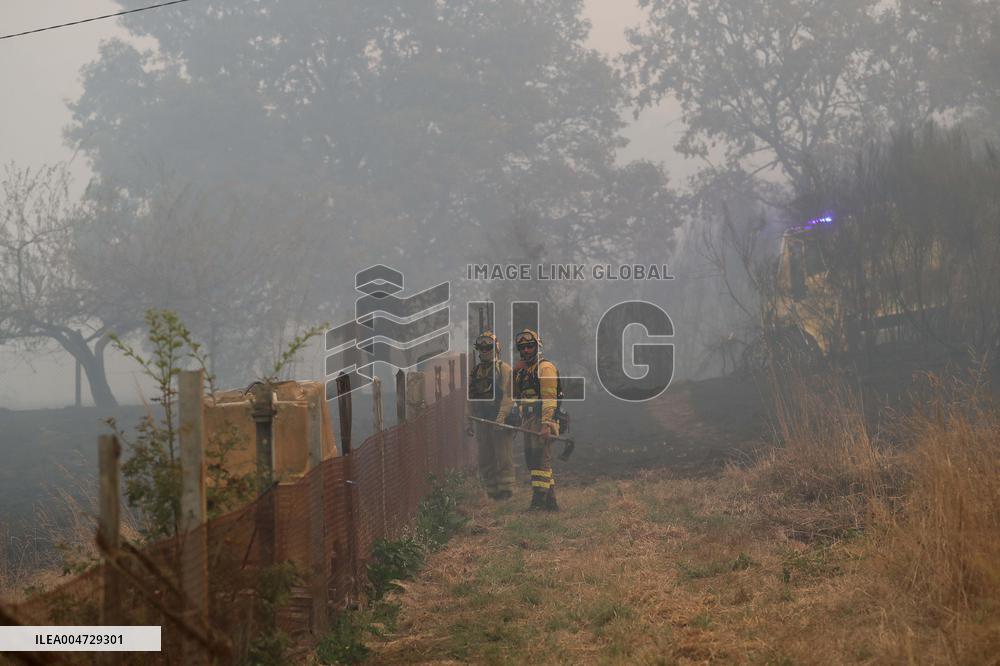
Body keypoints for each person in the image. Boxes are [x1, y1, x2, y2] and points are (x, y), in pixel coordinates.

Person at [512, 329, 560, 511]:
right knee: (534, 462)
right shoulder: (522, 371)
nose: (526, 350)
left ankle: (538, 504)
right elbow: (518, 397)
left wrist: (547, 424)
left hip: (544, 421)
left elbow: (549, 399)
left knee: (541, 462)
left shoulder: (545, 368)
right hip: (529, 421)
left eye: (529, 346)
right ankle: (551, 503)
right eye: (522, 347)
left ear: (537, 347)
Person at [465, 331, 516, 500]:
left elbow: (509, 397)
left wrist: (501, 418)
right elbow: (470, 398)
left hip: (499, 420)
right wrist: (468, 420)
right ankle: (492, 491)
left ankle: (506, 491)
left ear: (496, 348)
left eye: (488, 347)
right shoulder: (475, 372)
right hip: (481, 420)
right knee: (485, 457)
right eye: (482, 348)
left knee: (503, 456)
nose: (485, 351)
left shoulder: (504, 369)